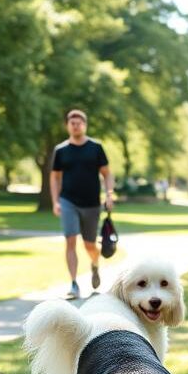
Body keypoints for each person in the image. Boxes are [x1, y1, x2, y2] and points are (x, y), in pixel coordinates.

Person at [51, 109, 115, 299]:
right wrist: (55, 201)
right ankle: (73, 284)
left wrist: (109, 194)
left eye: (79, 122)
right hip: (68, 201)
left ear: (84, 125)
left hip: (91, 204)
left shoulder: (95, 148)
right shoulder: (60, 150)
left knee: (89, 245)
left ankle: (94, 264)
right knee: (70, 240)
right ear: (67, 125)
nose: (75, 125)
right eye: (72, 122)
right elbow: (54, 178)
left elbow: (107, 174)